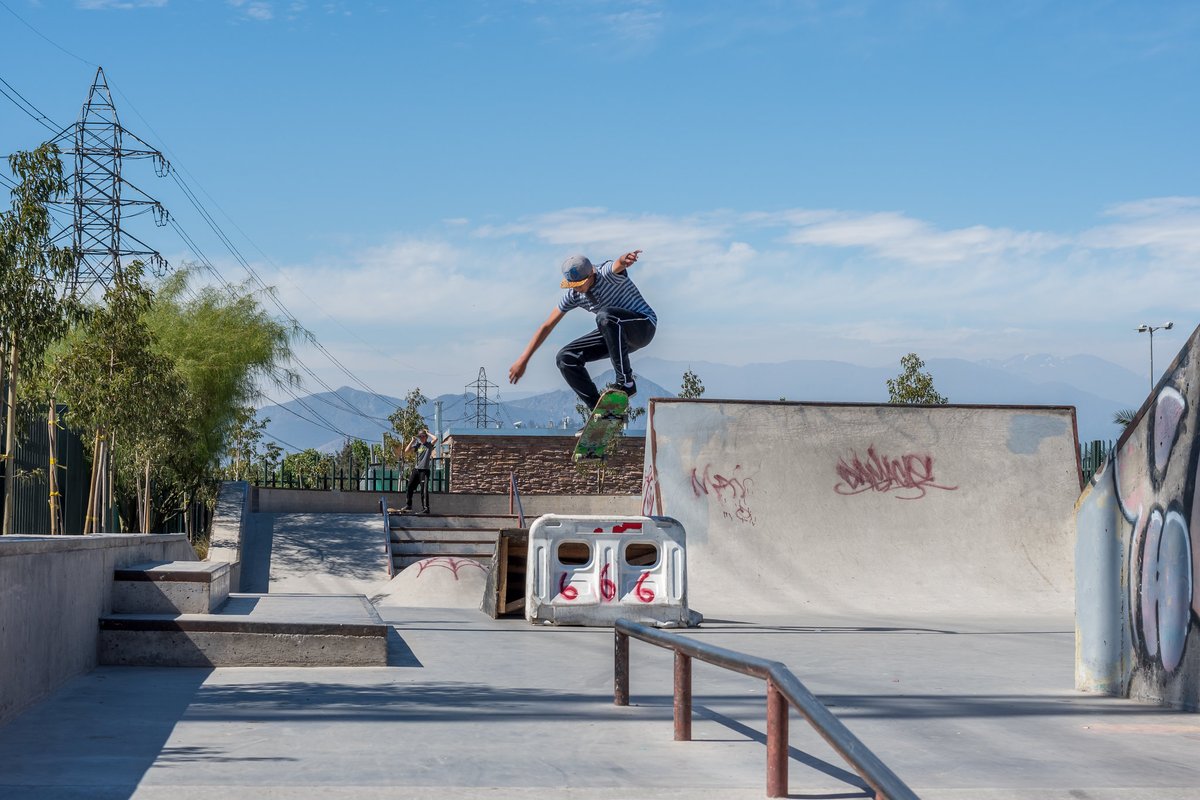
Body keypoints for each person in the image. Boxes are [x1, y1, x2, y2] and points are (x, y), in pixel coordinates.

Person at [508, 249, 655, 422]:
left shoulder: (606, 273)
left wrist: (624, 259)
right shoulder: (573, 295)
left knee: (605, 316)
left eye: (580, 284)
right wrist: (523, 360)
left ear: (592, 274)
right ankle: (603, 414)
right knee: (565, 357)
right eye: (573, 285)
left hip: (642, 326)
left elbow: (617, 265)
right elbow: (546, 326)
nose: (578, 289)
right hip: (615, 333)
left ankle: (626, 383)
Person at [401, 430, 438, 513]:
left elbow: (436, 438)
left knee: (423, 490)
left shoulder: (429, 445)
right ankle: (409, 505)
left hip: (424, 471)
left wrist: (427, 432)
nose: (421, 438)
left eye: (423, 436)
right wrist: (412, 441)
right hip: (416, 470)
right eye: (420, 437)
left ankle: (425, 508)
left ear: (426, 437)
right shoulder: (418, 445)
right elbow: (406, 451)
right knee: (409, 486)